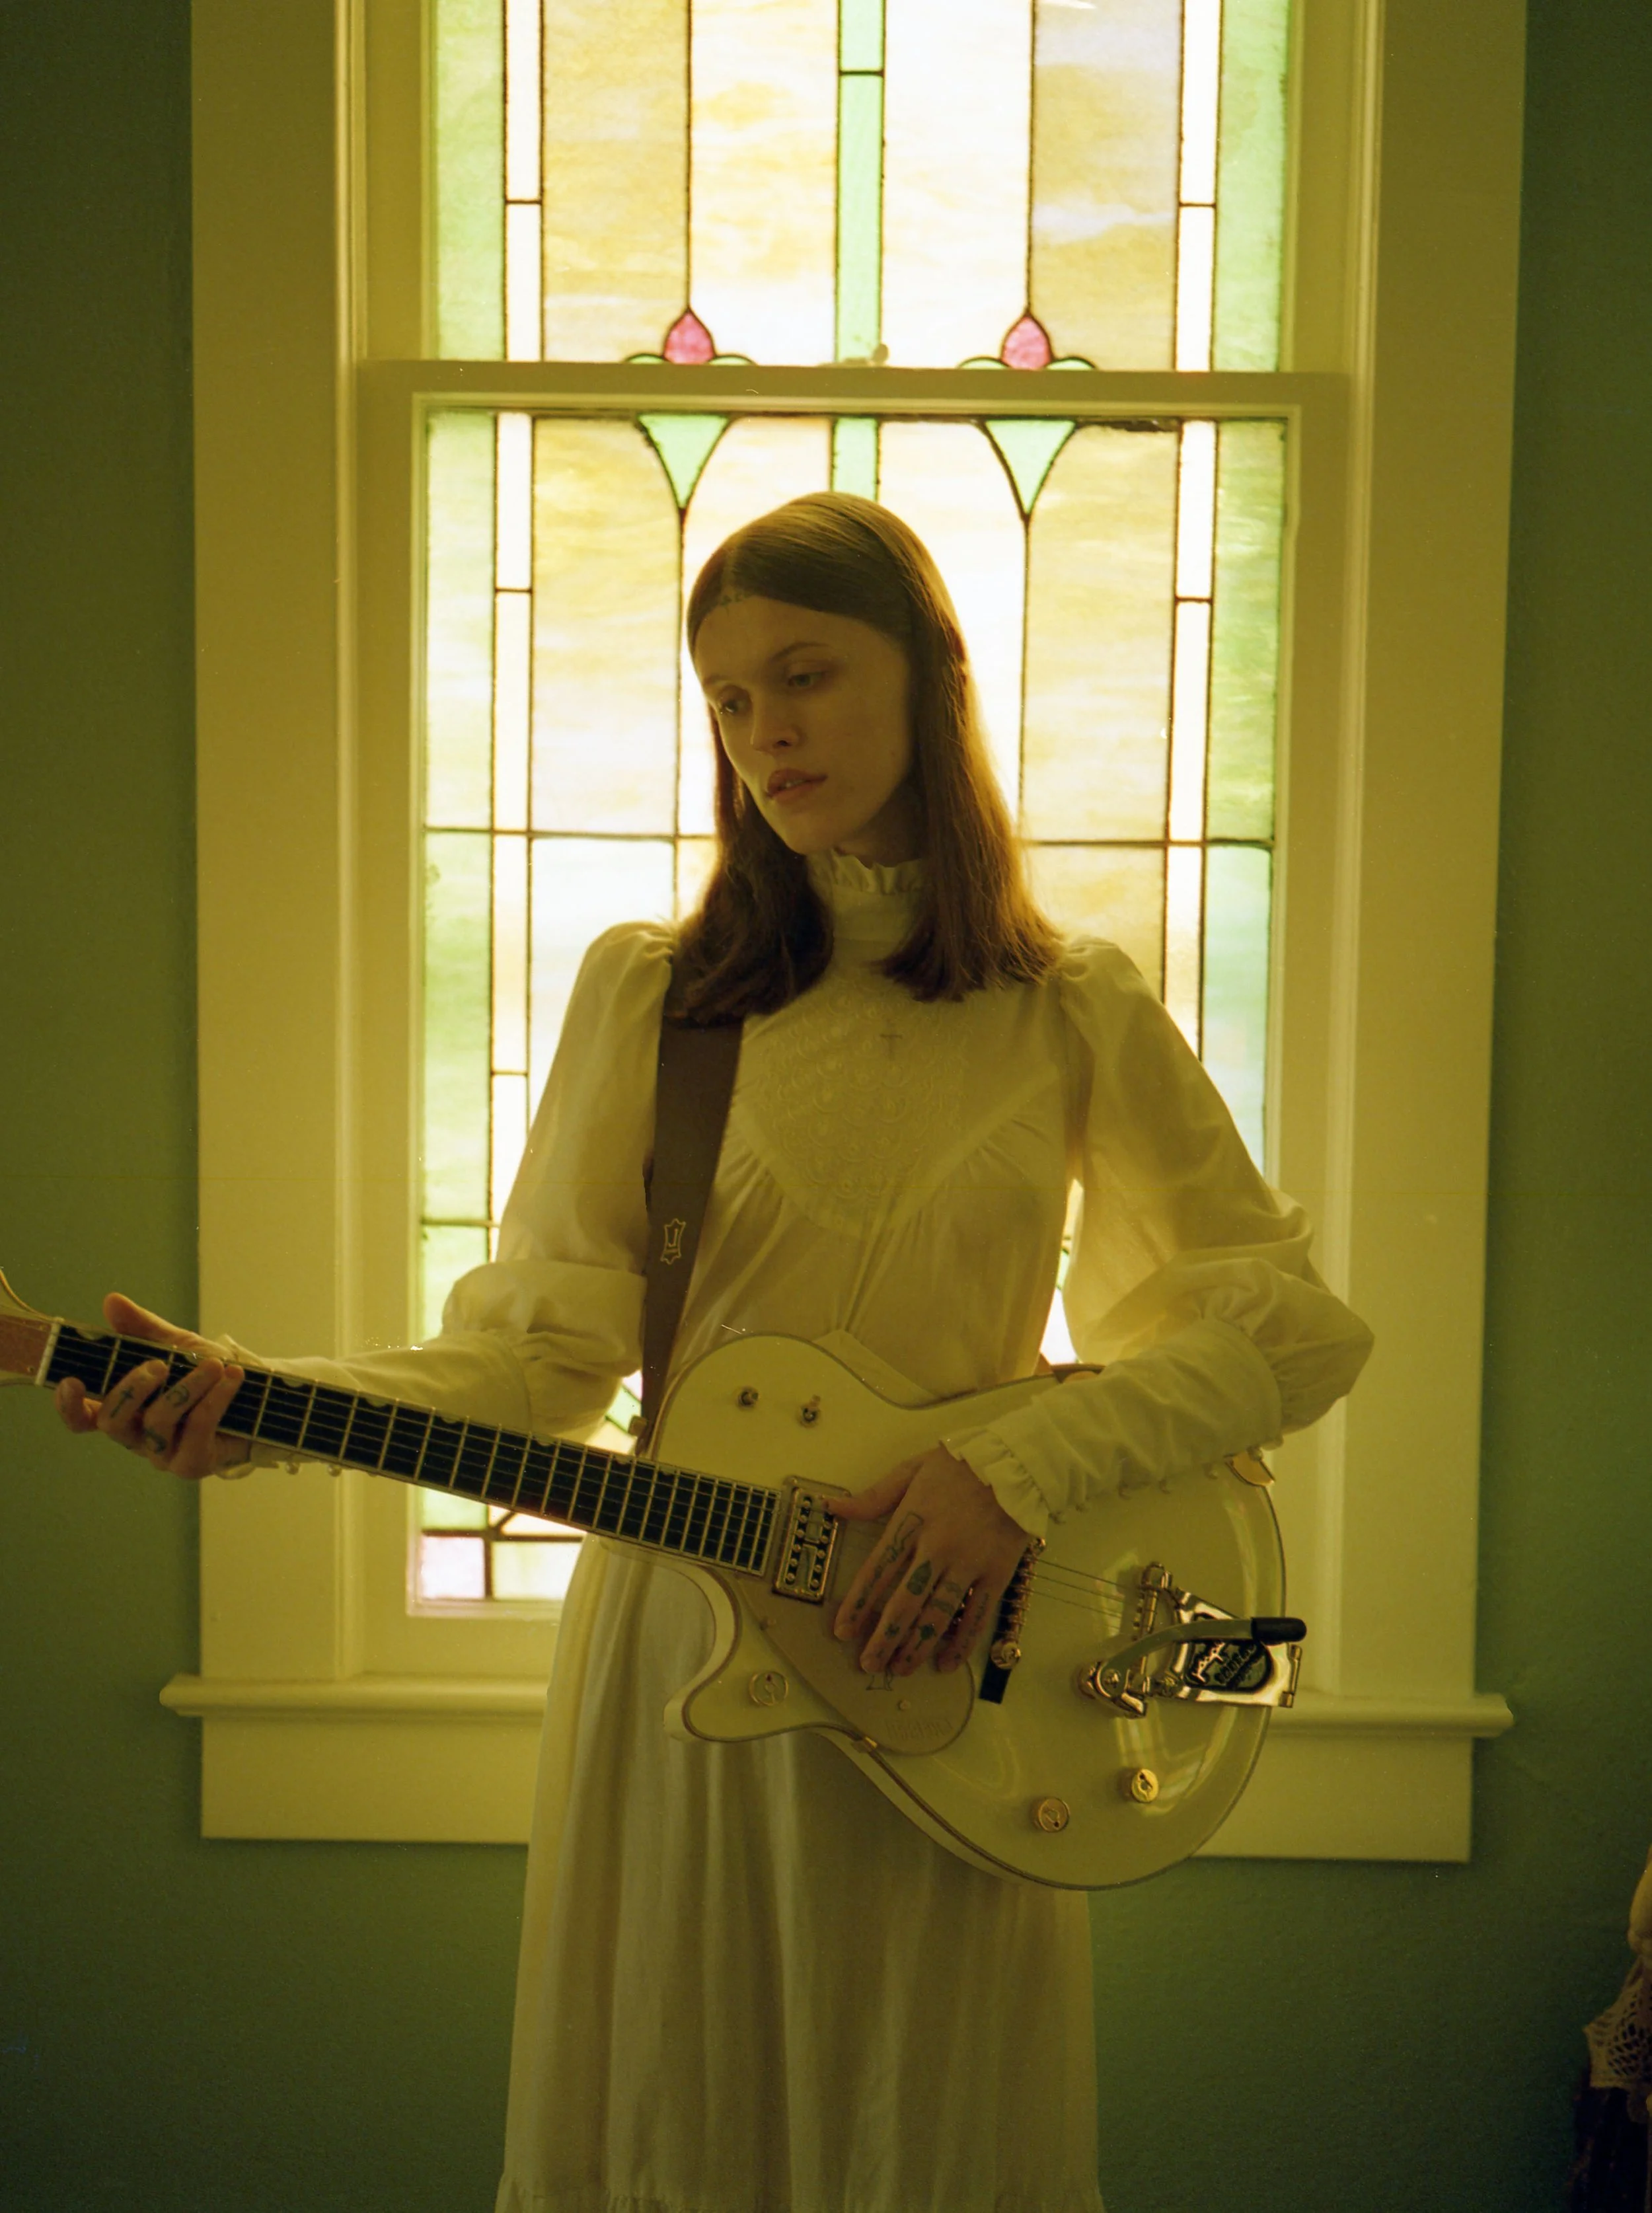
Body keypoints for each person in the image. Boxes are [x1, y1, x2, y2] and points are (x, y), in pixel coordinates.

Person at [58, 492, 1374, 2213]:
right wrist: (261, 1409)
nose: (765, 731)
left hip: (946, 1661)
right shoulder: (656, 998)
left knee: (928, 2141)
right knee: (670, 2136)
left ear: (928, 678)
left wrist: (1010, 1470)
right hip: (681, 1661)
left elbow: (1284, 1329)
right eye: (729, 696)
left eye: (805, 675)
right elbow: (533, 1362)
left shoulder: (1071, 1009)